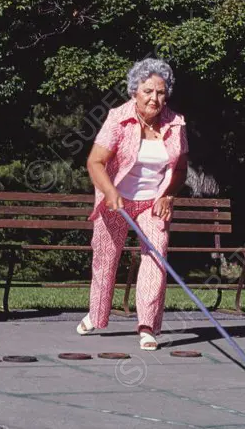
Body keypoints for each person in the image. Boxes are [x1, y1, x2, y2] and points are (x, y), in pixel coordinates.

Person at [79, 58, 188, 350]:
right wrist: (111, 192)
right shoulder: (118, 118)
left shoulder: (176, 123)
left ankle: (147, 326)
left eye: (161, 92)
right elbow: (95, 162)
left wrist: (168, 195)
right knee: (106, 259)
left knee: (157, 256)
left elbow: (179, 170)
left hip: (153, 203)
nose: (155, 98)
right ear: (134, 92)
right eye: (148, 91)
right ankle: (97, 314)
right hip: (116, 201)